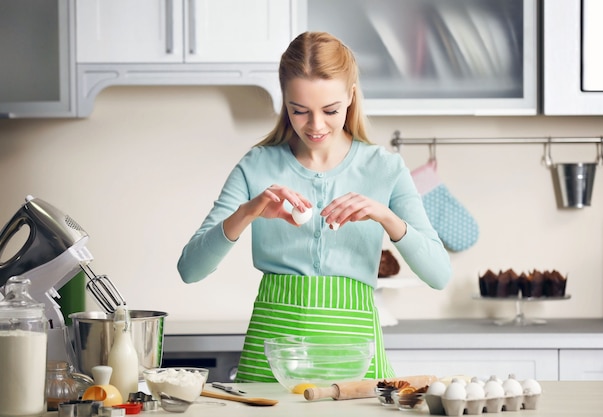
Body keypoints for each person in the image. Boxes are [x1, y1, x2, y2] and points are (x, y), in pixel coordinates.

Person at [177, 31, 452, 382]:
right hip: (273, 365)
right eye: (300, 111)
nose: (316, 125)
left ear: (351, 97)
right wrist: (247, 213)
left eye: (330, 110)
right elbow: (190, 269)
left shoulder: (385, 168)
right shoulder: (257, 166)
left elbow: (439, 274)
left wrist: (384, 216)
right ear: (285, 102)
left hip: (356, 366)